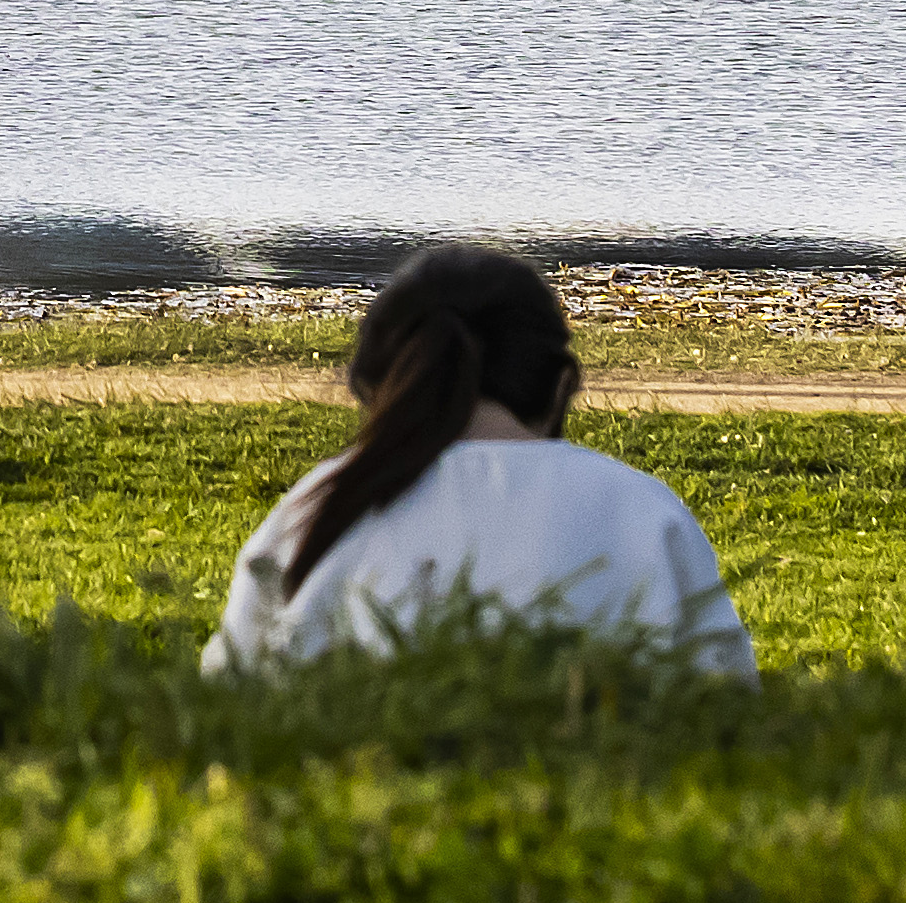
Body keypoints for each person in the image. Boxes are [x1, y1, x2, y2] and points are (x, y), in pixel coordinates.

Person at [205, 250, 751, 676]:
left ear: (374, 389)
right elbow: (724, 693)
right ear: (562, 387)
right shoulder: (644, 509)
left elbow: (235, 686)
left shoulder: (319, 505)